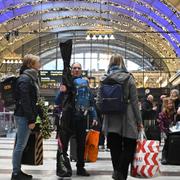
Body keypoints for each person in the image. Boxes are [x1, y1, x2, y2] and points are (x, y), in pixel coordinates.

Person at [96, 54, 143, 180]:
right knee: (130, 145)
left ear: (110, 63)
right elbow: (134, 101)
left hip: (111, 118)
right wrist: (139, 121)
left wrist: (106, 110)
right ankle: (121, 173)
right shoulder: (129, 78)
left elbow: (98, 102)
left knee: (114, 147)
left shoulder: (104, 79)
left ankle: (117, 172)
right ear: (122, 63)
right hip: (128, 116)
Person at [55, 62, 98, 177]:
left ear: (81, 70)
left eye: (79, 68)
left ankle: (80, 167)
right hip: (67, 118)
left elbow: (91, 101)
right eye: (74, 68)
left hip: (81, 118)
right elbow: (57, 101)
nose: (76, 70)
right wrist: (61, 91)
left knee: (81, 144)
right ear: (71, 70)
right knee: (63, 144)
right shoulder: (66, 82)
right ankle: (62, 167)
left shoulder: (85, 83)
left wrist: (94, 116)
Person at [11, 54, 41, 180]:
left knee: (21, 145)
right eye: (38, 62)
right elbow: (25, 101)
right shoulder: (25, 79)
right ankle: (16, 173)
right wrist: (31, 119)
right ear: (31, 64)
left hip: (24, 115)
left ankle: (18, 171)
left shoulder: (30, 78)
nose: (40, 64)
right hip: (24, 116)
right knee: (20, 146)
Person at [157, 97, 176, 164]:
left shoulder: (174, 112)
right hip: (166, 131)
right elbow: (160, 123)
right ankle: (164, 158)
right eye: (169, 103)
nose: (171, 105)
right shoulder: (162, 113)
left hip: (173, 131)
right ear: (166, 104)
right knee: (166, 144)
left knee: (172, 144)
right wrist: (163, 131)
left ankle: (171, 158)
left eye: (172, 103)